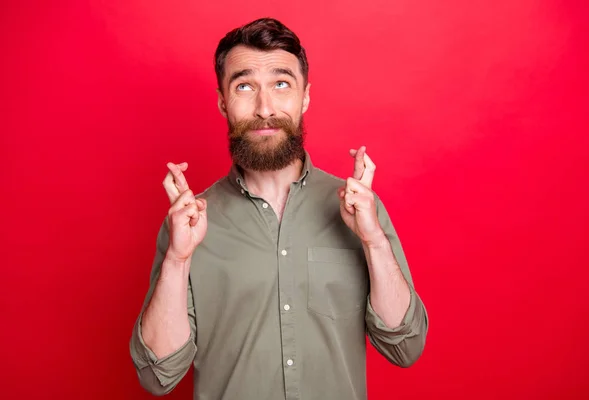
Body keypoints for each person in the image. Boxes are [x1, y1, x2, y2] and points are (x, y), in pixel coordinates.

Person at [129, 17, 428, 400]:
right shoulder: (188, 223)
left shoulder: (359, 210)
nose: (265, 107)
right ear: (223, 101)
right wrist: (177, 258)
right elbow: (158, 377)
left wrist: (373, 241)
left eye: (281, 84)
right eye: (244, 86)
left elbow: (406, 347)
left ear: (304, 96)